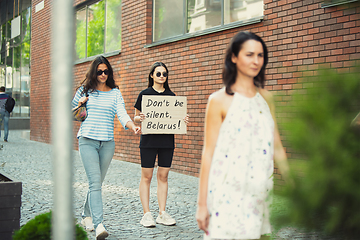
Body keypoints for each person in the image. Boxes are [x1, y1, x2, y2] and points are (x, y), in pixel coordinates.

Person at [195, 31, 290, 240]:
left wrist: (296, 187)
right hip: (226, 193)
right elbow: (208, 153)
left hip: (259, 192)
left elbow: (277, 147)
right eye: (249, 54)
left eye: (260, 55)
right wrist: (202, 205)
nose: (256, 61)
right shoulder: (218, 100)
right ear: (234, 57)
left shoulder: (267, 99)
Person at [72, 56, 140, 239]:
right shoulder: (84, 90)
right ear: (94, 72)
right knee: (95, 183)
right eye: (99, 71)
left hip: (107, 143)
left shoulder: (115, 93)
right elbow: (72, 113)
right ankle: (99, 224)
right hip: (87, 140)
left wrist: (132, 126)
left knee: (97, 182)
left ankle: (85, 215)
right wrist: (80, 104)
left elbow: (122, 113)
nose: (103, 74)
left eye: (106, 71)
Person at [134, 62, 189, 228]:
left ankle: (162, 213)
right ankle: (147, 214)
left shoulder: (172, 97)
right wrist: (139, 118)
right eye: (158, 74)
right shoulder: (144, 95)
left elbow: (177, 118)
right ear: (152, 75)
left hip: (167, 142)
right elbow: (135, 118)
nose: (161, 77)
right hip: (149, 142)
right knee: (147, 177)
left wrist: (183, 120)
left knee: (163, 176)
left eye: (164, 74)